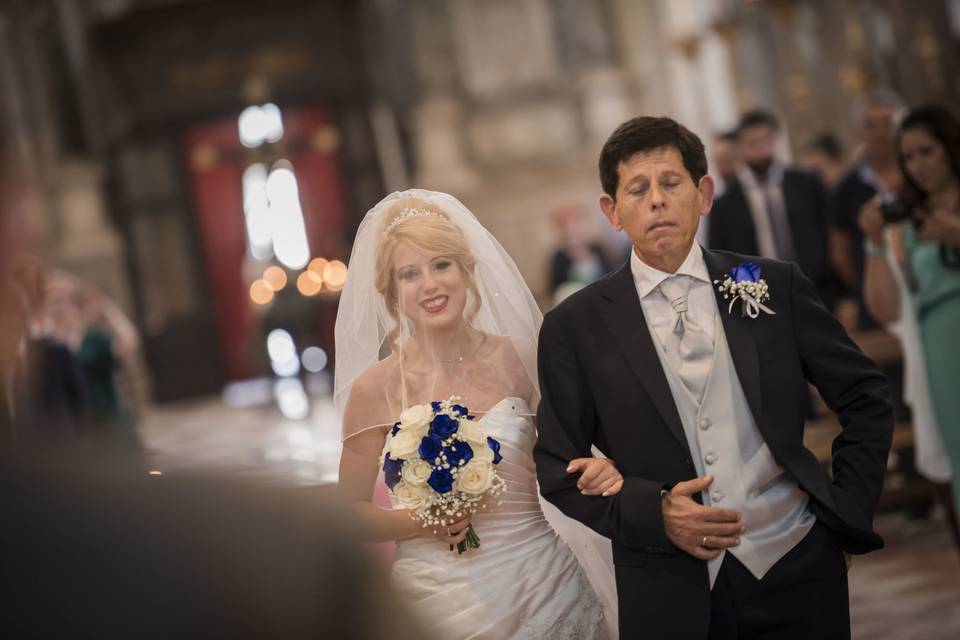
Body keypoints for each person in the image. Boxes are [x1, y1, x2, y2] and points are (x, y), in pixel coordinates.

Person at [535, 116, 893, 639]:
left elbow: (866, 394)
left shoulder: (772, 284)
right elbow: (556, 466)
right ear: (611, 211)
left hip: (797, 564)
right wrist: (654, 512)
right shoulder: (574, 326)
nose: (657, 200)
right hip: (668, 592)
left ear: (703, 193)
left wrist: (845, 512)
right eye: (638, 188)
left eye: (671, 183)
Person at [335, 190, 620, 639]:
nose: (430, 285)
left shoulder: (522, 360)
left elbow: (570, 456)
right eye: (410, 274)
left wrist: (598, 468)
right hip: (438, 605)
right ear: (391, 295)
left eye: (442, 264)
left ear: (468, 272)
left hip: (542, 584)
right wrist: (424, 521)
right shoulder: (375, 389)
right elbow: (348, 514)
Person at [858, 105, 960, 553]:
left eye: (927, 152)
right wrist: (873, 243)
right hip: (940, 346)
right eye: (909, 156)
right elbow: (887, 307)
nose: (918, 164)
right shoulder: (910, 220)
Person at [708, 110, 837, 308]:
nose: (761, 150)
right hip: (757, 301)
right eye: (752, 143)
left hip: (816, 290)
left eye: (765, 141)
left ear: (775, 140)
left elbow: (832, 239)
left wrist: (843, 294)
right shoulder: (725, 205)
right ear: (740, 147)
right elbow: (719, 261)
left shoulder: (806, 185)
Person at [829, 92, 905, 330]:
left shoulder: (919, 175)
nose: (880, 133)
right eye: (870, 125)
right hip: (874, 298)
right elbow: (840, 253)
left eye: (887, 123)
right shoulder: (846, 187)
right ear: (860, 132)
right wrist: (867, 279)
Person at [548, 204, 614, 305]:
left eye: (576, 223)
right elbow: (555, 290)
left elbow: (613, 274)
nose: (571, 229)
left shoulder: (598, 249)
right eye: (565, 225)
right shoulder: (559, 258)